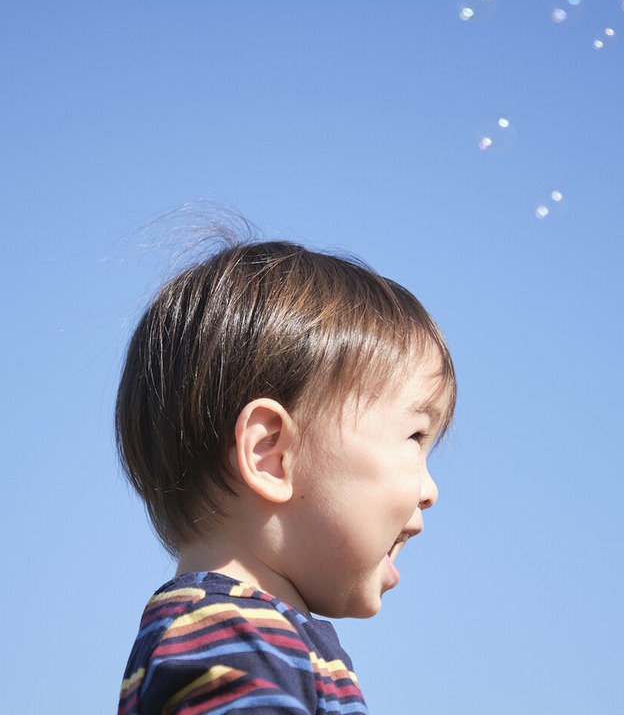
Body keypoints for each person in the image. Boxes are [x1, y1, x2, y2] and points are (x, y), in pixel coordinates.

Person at [115, 233, 456, 714]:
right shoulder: (233, 633)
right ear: (270, 454)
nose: (430, 491)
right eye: (415, 439)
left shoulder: (246, 634)